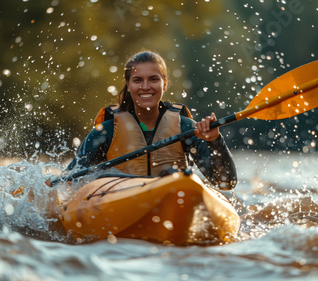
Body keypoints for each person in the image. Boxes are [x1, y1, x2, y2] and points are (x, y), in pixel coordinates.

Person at [64, 50, 237, 190]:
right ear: (129, 85)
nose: (146, 86)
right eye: (138, 80)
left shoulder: (185, 128)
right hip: (121, 201)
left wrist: (215, 140)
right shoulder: (107, 130)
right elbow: (69, 180)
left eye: (154, 79)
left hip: (172, 199)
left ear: (165, 83)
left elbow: (225, 183)